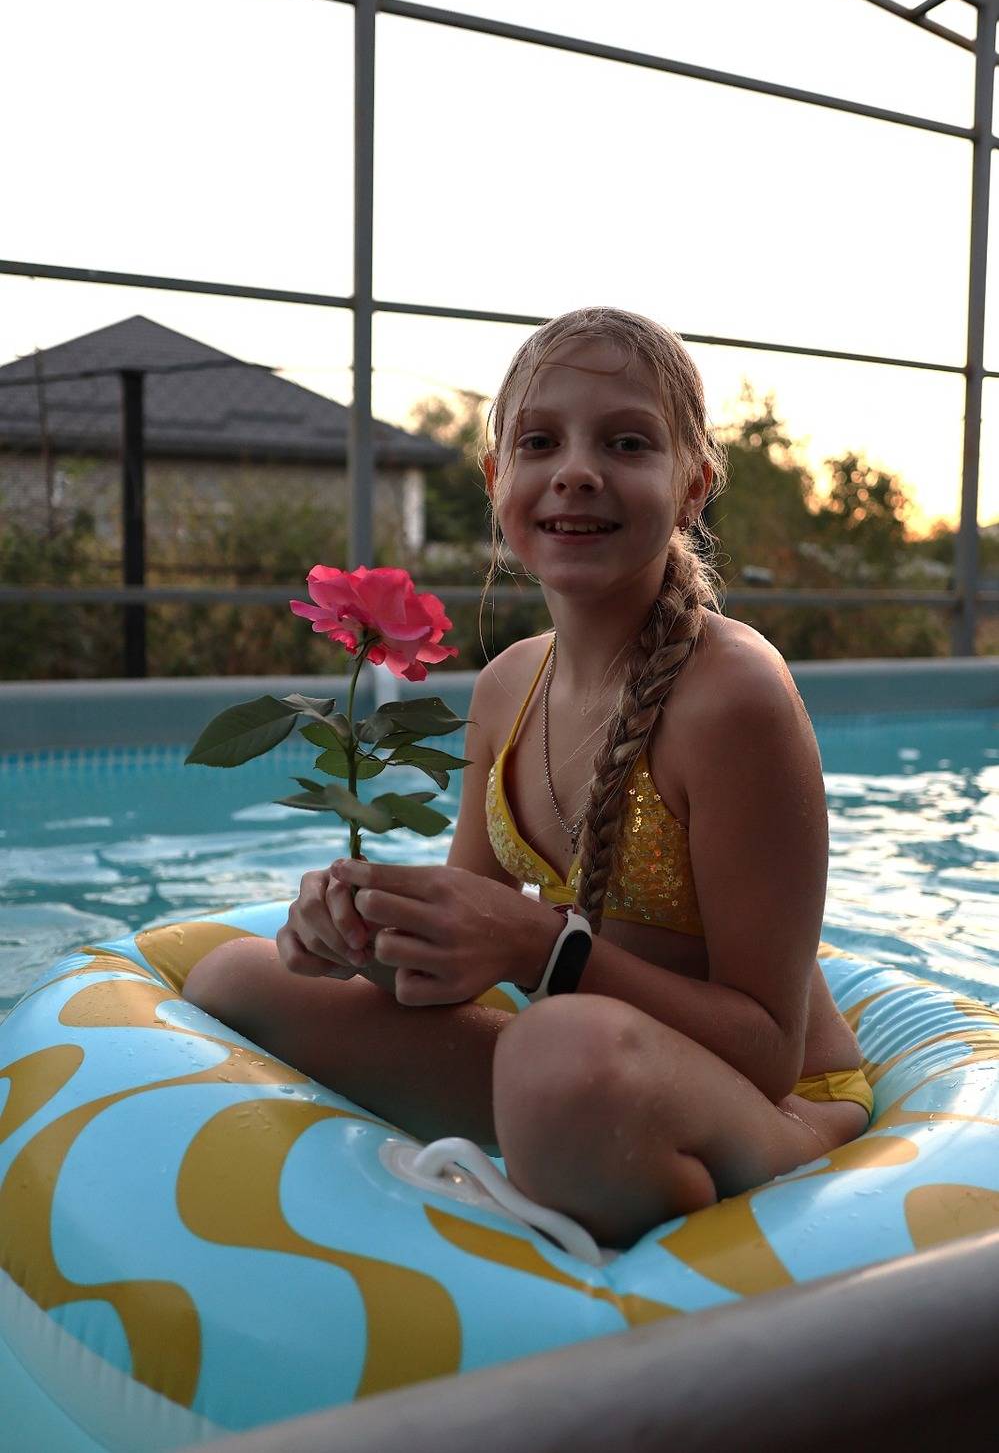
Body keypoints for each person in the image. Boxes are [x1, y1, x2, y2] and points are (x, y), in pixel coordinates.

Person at [183, 306, 871, 1249]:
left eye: (626, 442)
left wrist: (546, 949)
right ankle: (566, 1151)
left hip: (775, 1105)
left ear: (692, 485)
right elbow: (460, 959)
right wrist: (360, 932)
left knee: (559, 1052)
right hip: (584, 1066)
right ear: (495, 478)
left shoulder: (732, 697)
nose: (575, 470)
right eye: (539, 442)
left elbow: (767, 1047)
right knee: (239, 979)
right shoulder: (509, 685)